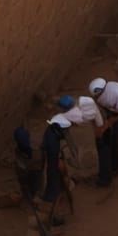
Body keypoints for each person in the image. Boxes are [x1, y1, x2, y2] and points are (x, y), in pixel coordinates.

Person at [39, 97, 75, 227]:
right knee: (54, 184)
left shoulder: (57, 123)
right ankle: (53, 214)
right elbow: (54, 157)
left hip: (54, 154)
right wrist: (59, 161)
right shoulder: (53, 137)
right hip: (52, 159)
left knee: (56, 183)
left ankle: (53, 205)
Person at [89, 77, 118, 189]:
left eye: (97, 96)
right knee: (107, 140)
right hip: (109, 110)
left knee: (114, 141)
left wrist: (108, 124)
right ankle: (112, 169)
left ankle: (112, 172)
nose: (96, 98)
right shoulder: (101, 94)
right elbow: (99, 107)